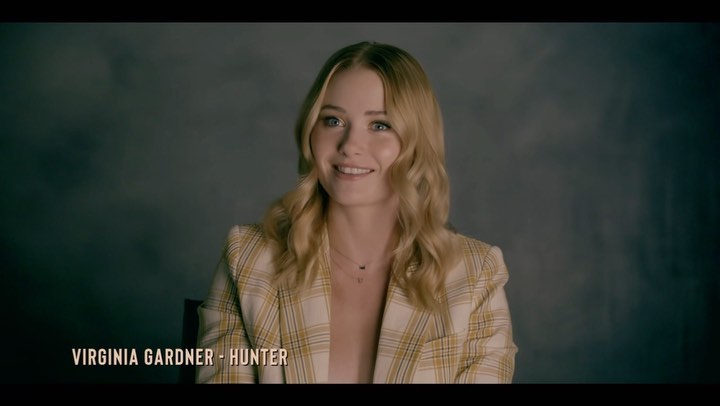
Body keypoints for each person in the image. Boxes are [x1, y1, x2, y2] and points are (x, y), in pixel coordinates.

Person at [195, 41, 517, 383]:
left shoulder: (476, 276)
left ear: (418, 141)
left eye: (380, 125)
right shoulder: (248, 259)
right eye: (333, 120)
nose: (349, 145)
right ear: (310, 132)